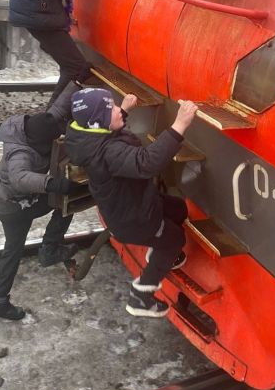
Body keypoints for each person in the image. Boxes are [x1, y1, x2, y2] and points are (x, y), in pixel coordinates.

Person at [64, 87, 198, 318]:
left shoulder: (86, 137)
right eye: (112, 109)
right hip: (134, 218)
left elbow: (103, 130)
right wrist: (180, 125)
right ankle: (141, 296)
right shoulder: (108, 152)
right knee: (175, 238)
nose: (117, 110)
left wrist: (123, 111)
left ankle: (158, 250)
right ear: (100, 121)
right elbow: (146, 162)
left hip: (132, 202)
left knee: (178, 208)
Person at [0, 82, 84, 321]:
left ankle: (50, 248)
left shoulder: (33, 127)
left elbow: (57, 110)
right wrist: (53, 184)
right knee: (14, 249)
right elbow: (20, 179)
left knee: (66, 203)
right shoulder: (21, 154)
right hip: (13, 207)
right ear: (37, 143)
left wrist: (76, 83)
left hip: (23, 198)